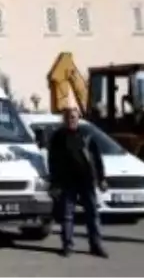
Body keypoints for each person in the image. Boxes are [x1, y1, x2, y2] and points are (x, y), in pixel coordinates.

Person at [46, 107, 108, 258]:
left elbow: (97, 158)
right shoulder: (58, 137)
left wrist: (102, 178)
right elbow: (52, 162)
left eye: (73, 117)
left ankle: (96, 245)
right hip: (67, 182)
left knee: (92, 214)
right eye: (68, 118)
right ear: (64, 119)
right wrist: (55, 183)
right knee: (67, 215)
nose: (71, 120)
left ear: (78, 118)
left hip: (87, 180)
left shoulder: (86, 135)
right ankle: (67, 245)